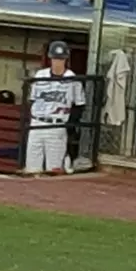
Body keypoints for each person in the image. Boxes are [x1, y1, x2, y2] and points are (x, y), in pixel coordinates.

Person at [22, 41, 86, 176]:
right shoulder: (40, 75)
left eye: (61, 59)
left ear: (66, 59)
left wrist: (70, 124)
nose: (57, 62)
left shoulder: (72, 78)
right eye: (55, 58)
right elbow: (32, 99)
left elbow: (79, 104)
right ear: (50, 59)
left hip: (57, 125)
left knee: (54, 170)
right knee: (32, 169)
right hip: (37, 123)